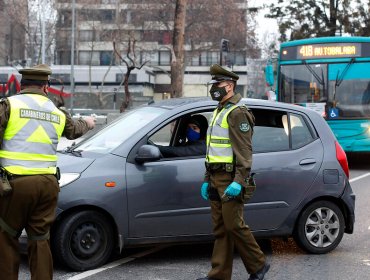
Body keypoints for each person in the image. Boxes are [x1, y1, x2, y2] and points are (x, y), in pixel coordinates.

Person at [0, 64, 96, 280]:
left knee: (6, 236)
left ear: (22, 86)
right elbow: (75, 129)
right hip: (48, 185)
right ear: (45, 87)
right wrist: (89, 123)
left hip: (14, 185)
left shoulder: (10, 105)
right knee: (40, 239)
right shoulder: (56, 112)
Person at [197, 64, 269, 280]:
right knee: (221, 228)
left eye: (217, 84)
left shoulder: (238, 113)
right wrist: (207, 179)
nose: (214, 88)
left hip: (230, 179)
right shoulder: (219, 110)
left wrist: (239, 180)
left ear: (229, 85)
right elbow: (213, 149)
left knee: (234, 225)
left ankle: (258, 265)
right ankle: (219, 275)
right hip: (215, 177)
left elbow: (244, 152)